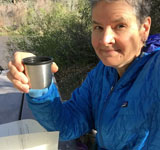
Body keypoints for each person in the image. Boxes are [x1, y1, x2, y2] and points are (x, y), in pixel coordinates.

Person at [7, 0, 160, 149]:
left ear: (144, 29)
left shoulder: (155, 69)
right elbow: (66, 125)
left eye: (120, 26)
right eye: (98, 27)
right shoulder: (101, 75)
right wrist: (36, 79)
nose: (105, 39)